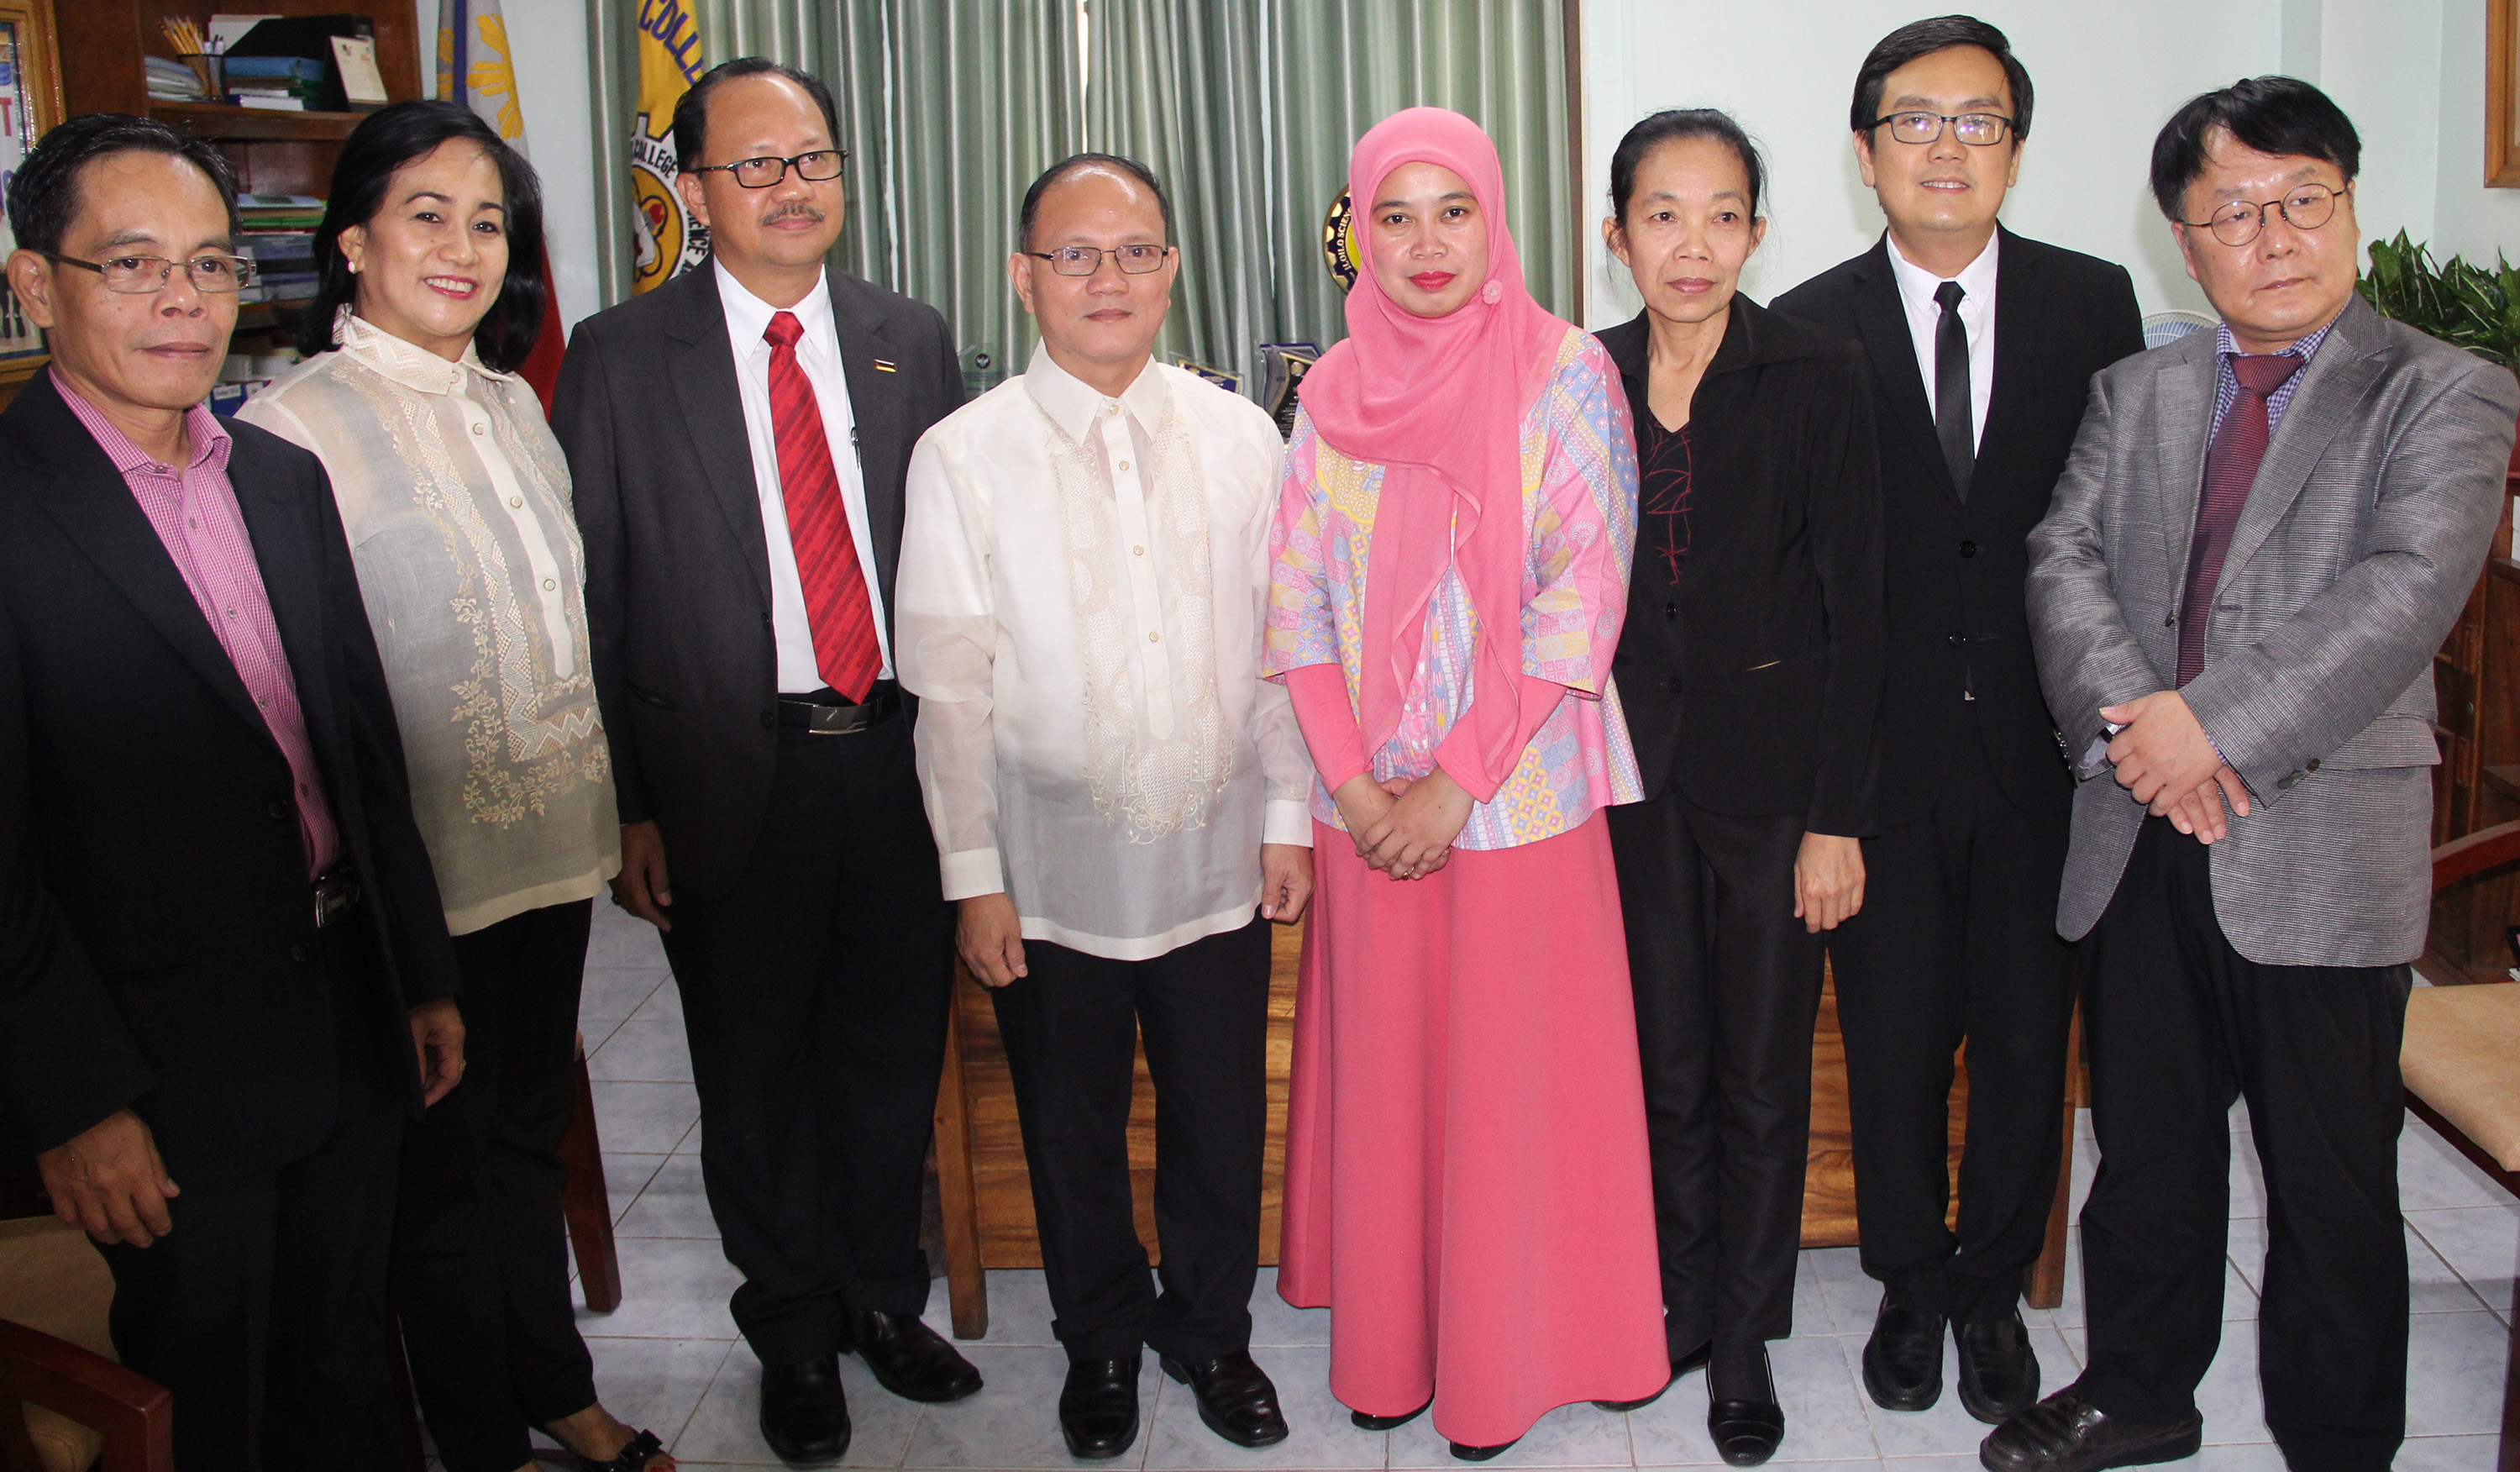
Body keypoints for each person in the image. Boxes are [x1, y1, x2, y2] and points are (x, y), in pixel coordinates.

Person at [2002, 77, 2518, 1472]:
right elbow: (2063, 559)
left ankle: (2339, 1438)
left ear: (2349, 205)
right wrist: (2139, 734)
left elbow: (2402, 596)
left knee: (2331, 1181)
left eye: (2306, 199)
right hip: (2138, 829)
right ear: (2185, 240)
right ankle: (2141, 1392)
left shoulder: (2447, 391)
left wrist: (2204, 729)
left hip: (2320, 838)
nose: (2275, 234)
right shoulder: (2139, 388)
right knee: (2149, 1152)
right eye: (2234, 210)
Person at [0, 113, 465, 1470]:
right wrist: (75, 1102)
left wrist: (419, 976)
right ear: (38, 286)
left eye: (209, 265)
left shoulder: (277, 476)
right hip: (156, 1072)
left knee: (343, 1370)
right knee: (213, 1398)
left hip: (343, 1015)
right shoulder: (17, 513)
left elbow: (359, 755)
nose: (183, 301)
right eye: (132, 264)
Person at [551, 57, 979, 1466]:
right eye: (756, 165)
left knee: (885, 1055)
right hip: (730, 776)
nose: (791, 188)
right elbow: (594, 599)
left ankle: (880, 1299)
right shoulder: (621, 358)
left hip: (897, 763)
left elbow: (958, 571)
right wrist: (630, 806)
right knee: (751, 1074)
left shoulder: (909, 335)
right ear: (693, 188)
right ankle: (792, 1331)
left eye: (813, 160)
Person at [235, 102, 665, 1472]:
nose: (464, 247)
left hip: (545, 857)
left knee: (521, 1143)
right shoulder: (290, 431)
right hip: (406, 890)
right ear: (352, 239)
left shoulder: (513, 407)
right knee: (435, 1181)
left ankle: (554, 1386)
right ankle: (478, 1436)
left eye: (489, 221)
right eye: (428, 214)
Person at [897, 152, 1315, 1459]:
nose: (1106, 278)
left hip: (1214, 860)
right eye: (1073, 254)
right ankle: (1101, 1345)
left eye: (1134, 251)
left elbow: (1282, 646)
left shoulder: (1246, 435)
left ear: (1172, 270)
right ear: (1023, 277)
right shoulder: (962, 457)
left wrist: (1289, 813)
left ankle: (1209, 1334)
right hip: (1047, 874)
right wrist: (972, 873)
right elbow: (949, 683)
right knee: (1066, 1131)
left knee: (1216, 1121)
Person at [1267, 104, 1667, 1459]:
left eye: (1454, 211)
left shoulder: (1564, 374)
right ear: (1359, 233)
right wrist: (1360, 788)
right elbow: (1296, 609)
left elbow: (1580, 598)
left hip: (1520, 806)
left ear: (1495, 218)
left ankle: (1542, 1350)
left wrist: (1451, 784)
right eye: (1397, 215)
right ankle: (1392, 1350)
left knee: (1523, 1086)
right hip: (1363, 816)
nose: (1428, 244)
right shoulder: (1325, 397)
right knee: (1395, 1086)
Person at [1771, 16, 2144, 1425]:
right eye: (1913, 120)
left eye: (1976, 120)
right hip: (1883, 760)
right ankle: (1911, 1285)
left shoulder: (2092, 302)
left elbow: (2120, 533)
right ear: (1865, 154)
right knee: (1895, 1037)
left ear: (2017, 149)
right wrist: (1828, 790)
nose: (1946, 145)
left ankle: (1992, 1290)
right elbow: (1802, 578)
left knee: (2026, 1036)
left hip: (2053, 760)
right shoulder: (1804, 324)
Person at [1593, 110, 1884, 1465]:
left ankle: (1750, 1338)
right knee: (1664, 1065)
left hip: (1776, 794)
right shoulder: (1580, 380)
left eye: (1722, 215)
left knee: (1763, 1074)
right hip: (1626, 785)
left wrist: (1838, 816)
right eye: (1663, 213)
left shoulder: (1820, 374)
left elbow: (1859, 613)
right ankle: (1685, 1301)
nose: (1692, 243)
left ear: (1759, 232)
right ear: (1618, 237)